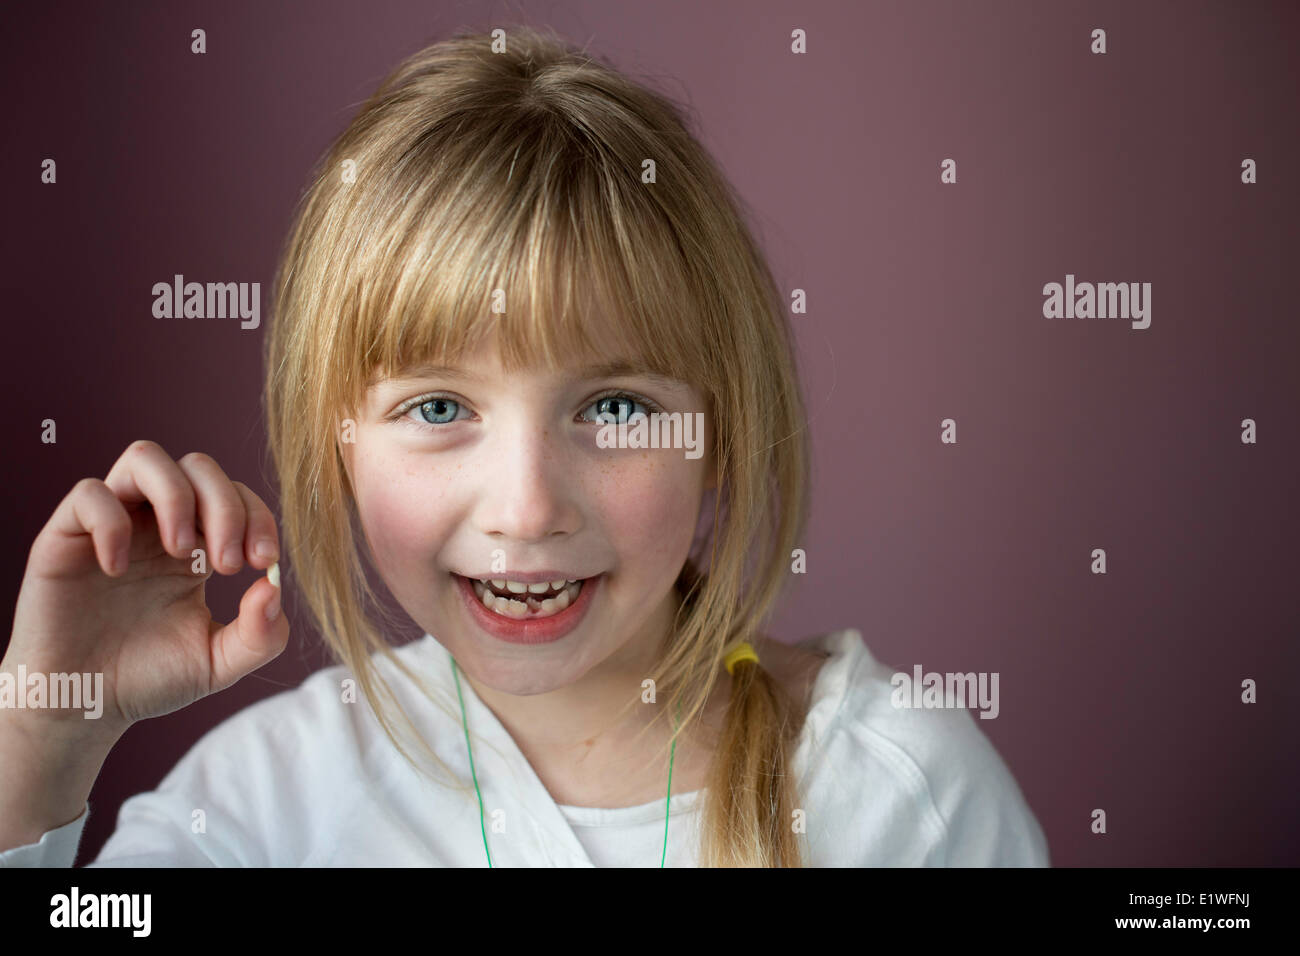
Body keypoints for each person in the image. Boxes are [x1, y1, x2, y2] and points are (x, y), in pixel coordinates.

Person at [0, 26, 1048, 867]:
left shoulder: (901, 795)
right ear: (339, 446)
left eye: (615, 409)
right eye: (440, 409)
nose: (527, 507)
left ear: (720, 431)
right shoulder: (261, 805)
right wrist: (42, 747)